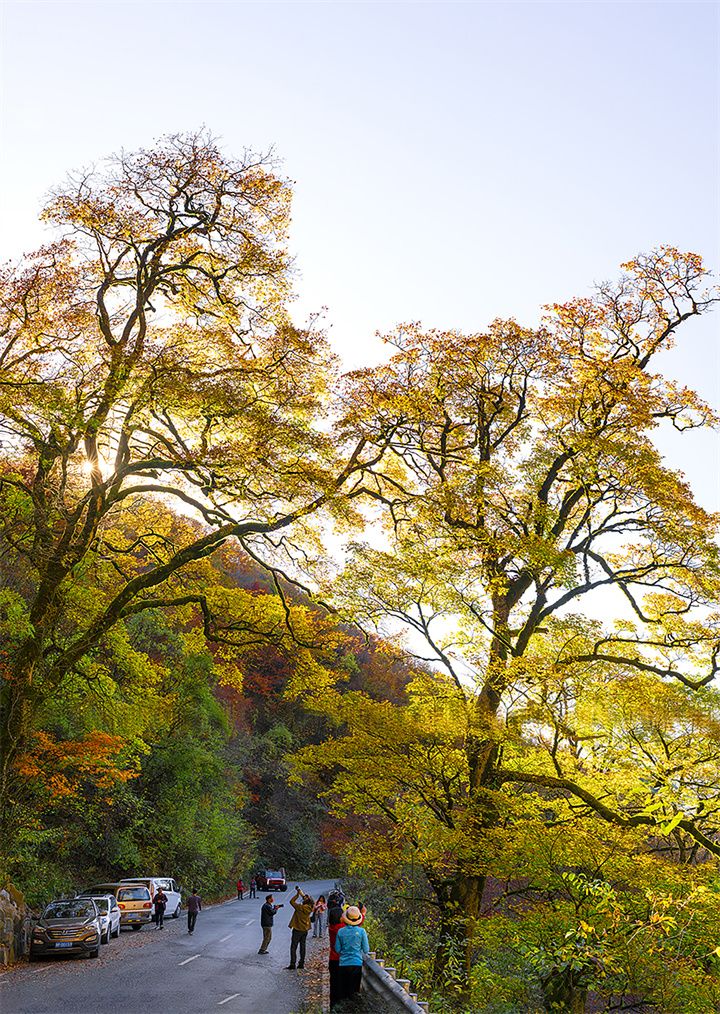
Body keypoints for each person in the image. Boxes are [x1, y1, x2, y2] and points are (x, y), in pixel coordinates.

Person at [335, 906, 369, 1001]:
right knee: (354, 992)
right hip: (356, 963)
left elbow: (337, 949)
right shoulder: (362, 931)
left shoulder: (340, 931)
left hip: (343, 964)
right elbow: (366, 950)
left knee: (343, 991)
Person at [286, 885, 314, 970]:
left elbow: (291, 901)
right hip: (305, 929)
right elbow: (310, 901)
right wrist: (304, 896)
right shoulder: (310, 907)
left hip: (297, 929)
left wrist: (297, 895)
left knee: (293, 947)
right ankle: (301, 963)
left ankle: (292, 964)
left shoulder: (300, 907)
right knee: (303, 946)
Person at [327, 905, 344, 1009]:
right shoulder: (341, 928)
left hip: (332, 959)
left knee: (333, 985)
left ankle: (332, 1007)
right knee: (342, 986)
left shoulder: (331, 927)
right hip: (342, 960)